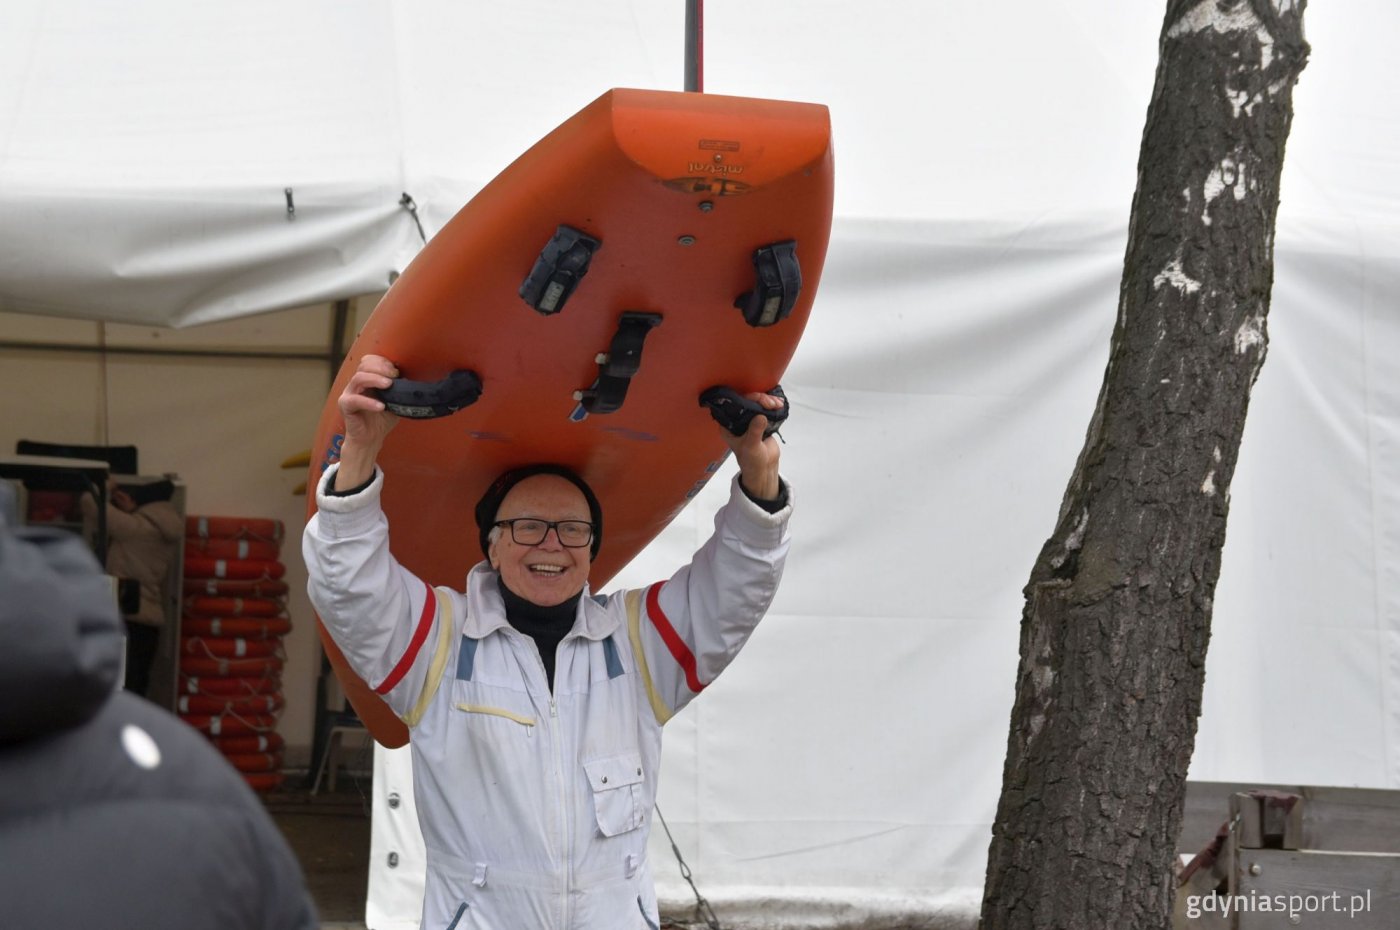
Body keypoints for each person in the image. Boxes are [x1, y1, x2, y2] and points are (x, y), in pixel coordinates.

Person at [303, 353, 792, 929]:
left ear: (591, 550)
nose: (551, 546)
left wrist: (758, 475)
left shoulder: (639, 646)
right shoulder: (439, 641)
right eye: (528, 526)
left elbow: (734, 589)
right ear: (491, 545)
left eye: (573, 530)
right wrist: (360, 449)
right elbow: (348, 586)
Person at [0, 485, 319, 929]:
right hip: (145, 619)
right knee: (136, 691)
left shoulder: (137, 528)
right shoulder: (195, 776)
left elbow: (92, 509)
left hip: (133, 617)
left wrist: (104, 493)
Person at [84, 475, 183, 696]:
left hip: (126, 618)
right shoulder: (164, 530)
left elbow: (89, 504)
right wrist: (132, 511)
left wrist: (104, 487)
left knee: (115, 688)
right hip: (148, 623)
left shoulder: (135, 528)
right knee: (135, 687)